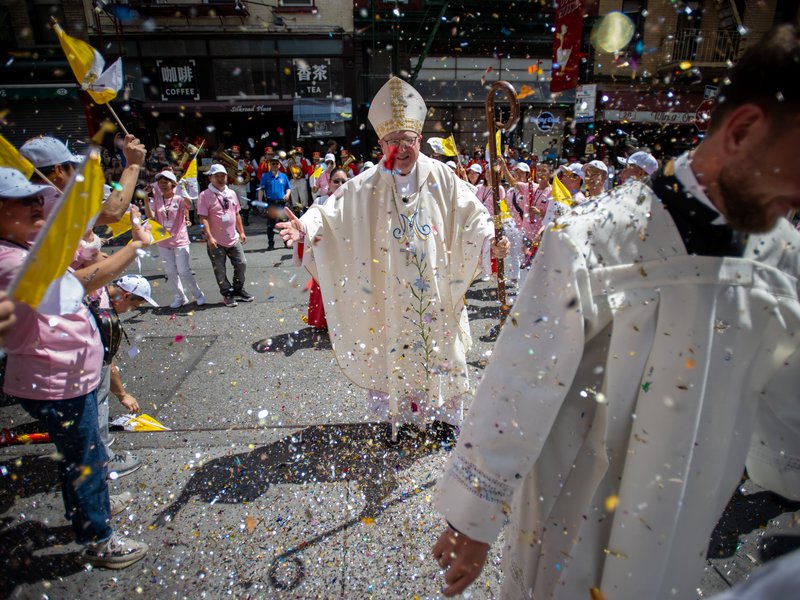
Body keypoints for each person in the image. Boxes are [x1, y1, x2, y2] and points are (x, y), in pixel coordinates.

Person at [431, 24, 800, 599]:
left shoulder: (783, 260)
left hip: (684, 519)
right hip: (577, 516)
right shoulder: (596, 240)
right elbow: (519, 377)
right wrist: (473, 515)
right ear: (746, 128)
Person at [278, 76, 509, 443]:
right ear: (381, 143)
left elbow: (474, 214)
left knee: (440, 348)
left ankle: (444, 420)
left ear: (419, 140)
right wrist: (304, 229)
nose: (401, 149)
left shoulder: (442, 176)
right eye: (392, 142)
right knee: (393, 348)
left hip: (435, 287)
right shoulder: (368, 181)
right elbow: (330, 213)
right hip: (387, 291)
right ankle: (397, 420)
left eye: (408, 141)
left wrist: (489, 240)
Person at [0, 167, 148, 568]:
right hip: (57, 380)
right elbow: (76, 284)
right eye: (22, 200)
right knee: (84, 459)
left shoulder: (27, 243)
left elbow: (73, 245)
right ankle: (99, 539)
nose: (36, 205)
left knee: (87, 454)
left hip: (69, 374)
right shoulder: (9, 260)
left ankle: (93, 504)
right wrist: (133, 248)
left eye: (37, 198)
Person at [88, 274, 159, 479]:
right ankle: (104, 460)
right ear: (126, 296)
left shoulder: (97, 290)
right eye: (134, 306)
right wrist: (122, 394)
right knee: (99, 401)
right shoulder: (103, 316)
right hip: (86, 368)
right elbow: (107, 364)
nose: (131, 311)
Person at [144, 170, 205, 309]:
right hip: (163, 241)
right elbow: (150, 216)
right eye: (160, 183)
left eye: (166, 182)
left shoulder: (178, 198)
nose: (163, 185)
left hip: (180, 239)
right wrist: (146, 199)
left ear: (172, 184)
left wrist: (182, 189)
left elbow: (189, 204)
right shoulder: (156, 200)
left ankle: (198, 295)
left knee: (183, 270)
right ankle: (180, 297)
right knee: (170, 272)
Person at [197, 164, 252, 307]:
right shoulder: (204, 195)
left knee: (242, 263)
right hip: (216, 240)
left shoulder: (231, 193)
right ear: (210, 177)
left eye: (223, 176)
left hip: (232, 238)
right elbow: (202, 218)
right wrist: (209, 237)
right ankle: (227, 293)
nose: (220, 179)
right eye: (217, 176)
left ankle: (238, 289)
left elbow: (236, 213)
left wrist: (242, 232)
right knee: (220, 269)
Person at [303, 168, 349, 330]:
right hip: (326, 253)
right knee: (326, 288)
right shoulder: (320, 202)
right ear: (329, 183)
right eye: (336, 181)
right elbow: (308, 222)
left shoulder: (354, 203)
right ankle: (325, 322)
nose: (340, 184)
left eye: (344, 181)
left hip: (346, 255)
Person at [259, 155, 292, 250]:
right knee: (271, 225)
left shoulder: (283, 176)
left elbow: (288, 188)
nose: (274, 165)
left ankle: (287, 243)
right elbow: (261, 189)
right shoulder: (265, 176)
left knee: (284, 224)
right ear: (270, 165)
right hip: (271, 203)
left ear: (279, 165)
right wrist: (260, 201)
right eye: (272, 163)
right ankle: (271, 244)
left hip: (281, 203)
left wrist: (287, 195)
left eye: (276, 163)